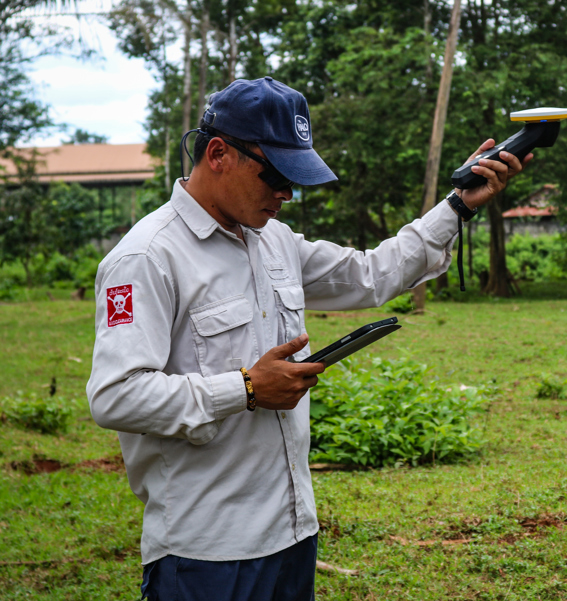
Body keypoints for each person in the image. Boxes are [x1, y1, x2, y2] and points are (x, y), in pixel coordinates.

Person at [86, 76, 530, 601]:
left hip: (293, 532)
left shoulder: (272, 240)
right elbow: (115, 395)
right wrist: (246, 388)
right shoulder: (147, 258)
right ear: (218, 153)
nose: (286, 193)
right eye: (274, 174)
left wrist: (458, 205)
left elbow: (371, 274)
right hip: (206, 552)